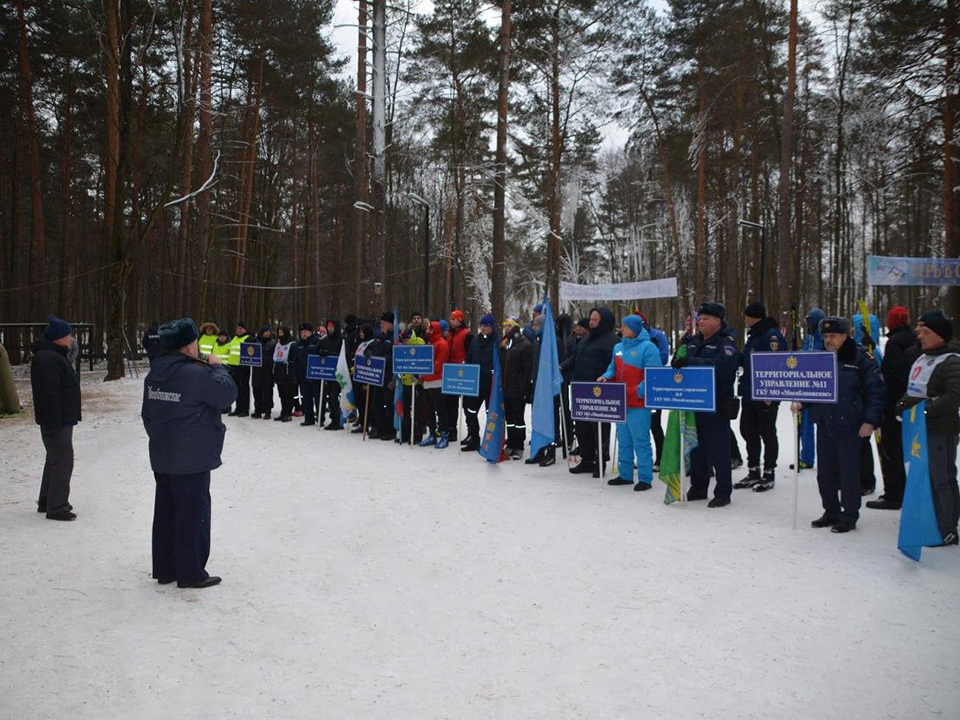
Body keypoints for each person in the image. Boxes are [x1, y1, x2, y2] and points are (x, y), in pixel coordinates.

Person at [142, 318, 237, 589]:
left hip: (163, 455)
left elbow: (147, 415)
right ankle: (191, 571)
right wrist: (218, 368)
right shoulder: (196, 375)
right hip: (192, 457)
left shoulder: (154, 374)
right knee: (193, 514)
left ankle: (165, 567)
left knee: (166, 512)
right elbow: (226, 394)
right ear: (187, 346)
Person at [792, 316, 884, 533]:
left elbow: (875, 392)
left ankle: (849, 515)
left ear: (845, 336)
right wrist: (802, 401)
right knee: (825, 473)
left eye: (833, 336)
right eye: (825, 336)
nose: (828, 340)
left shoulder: (860, 358)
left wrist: (870, 421)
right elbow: (812, 385)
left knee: (849, 473)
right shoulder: (820, 358)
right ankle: (830, 510)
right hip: (824, 423)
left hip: (850, 425)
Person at [896, 313, 960, 545]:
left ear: (940, 336)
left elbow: (954, 396)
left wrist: (925, 411)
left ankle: (948, 528)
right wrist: (902, 407)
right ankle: (933, 522)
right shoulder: (921, 358)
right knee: (928, 478)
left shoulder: (952, 360)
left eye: (926, 332)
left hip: (940, 430)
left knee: (943, 478)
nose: (919, 335)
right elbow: (913, 390)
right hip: (919, 429)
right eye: (919, 330)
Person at [672, 302, 741, 507]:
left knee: (719, 451)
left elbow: (723, 367)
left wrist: (691, 363)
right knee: (697, 449)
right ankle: (698, 487)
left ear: (718, 321)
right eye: (699, 318)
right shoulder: (693, 341)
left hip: (717, 405)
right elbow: (678, 361)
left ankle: (723, 492)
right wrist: (680, 354)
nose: (700, 321)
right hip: (694, 404)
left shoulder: (725, 342)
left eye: (705, 318)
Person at [600, 314, 662, 489]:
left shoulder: (648, 348)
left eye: (625, 326)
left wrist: (636, 392)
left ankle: (645, 478)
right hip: (621, 402)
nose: (621, 329)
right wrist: (605, 377)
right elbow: (612, 368)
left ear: (635, 328)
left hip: (639, 403)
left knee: (640, 440)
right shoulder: (618, 347)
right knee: (624, 440)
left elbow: (654, 374)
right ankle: (625, 474)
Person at [30, 315, 81, 520]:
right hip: (56, 420)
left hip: (60, 418)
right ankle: (57, 506)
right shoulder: (47, 358)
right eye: (68, 335)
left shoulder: (53, 355)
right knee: (62, 460)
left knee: (54, 459)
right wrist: (54, 421)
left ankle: (47, 500)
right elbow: (49, 394)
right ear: (58, 337)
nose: (71, 339)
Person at [735, 302, 787, 492]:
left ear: (755, 317)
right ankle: (753, 469)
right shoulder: (754, 335)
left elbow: (777, 364)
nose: (745, 320)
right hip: (749, 391)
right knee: (748, 431)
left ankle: (769, 471)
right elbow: (748, 360)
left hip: (765, 394)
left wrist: (770, 393)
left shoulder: (771, 336)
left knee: (767, 432)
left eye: (748, 316)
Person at [867, 307, 915, 510]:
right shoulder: (913, 339)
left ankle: (894, 494)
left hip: (894, 405)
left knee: (891, 450)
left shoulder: (895, 342)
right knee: (904, 450)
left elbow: (892, 376)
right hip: (908, 404)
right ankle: (903, 490)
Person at [569, 308, 618, 475]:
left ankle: (600, 462)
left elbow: (613, 367)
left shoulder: (612, 341)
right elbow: (575, 359)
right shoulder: (586, 338)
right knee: (582, 427)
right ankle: (587, 459)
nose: (591, 322)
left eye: (595, 320)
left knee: (599, 428)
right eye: (590, 319)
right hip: (581, 390)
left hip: (599, 392)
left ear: (603, 322)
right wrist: (561, 367)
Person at [526, 312, 566, 467]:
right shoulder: (537, 342)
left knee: (552, 420)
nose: (532, 327)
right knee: (539, 419)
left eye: (536, 324)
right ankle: (539, 450)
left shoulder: (555, 342)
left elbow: (560, 365)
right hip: (538, 387)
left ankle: (551, 451)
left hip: (551, 389)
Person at [636, 310, 669, 470]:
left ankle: (661, 458)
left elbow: (663, 357)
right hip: (636, 384)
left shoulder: (657, 336)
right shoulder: (630, 338)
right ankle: (643, 459)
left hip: (655, 383)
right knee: (639, 425)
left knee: (654, 424)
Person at [500, 316, 534, 460]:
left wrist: (524, 389)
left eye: (509, 326)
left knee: (518, 419)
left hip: (518, 389)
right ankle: (511, 443)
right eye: (505, 325)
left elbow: (527, 370)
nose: (506, 328)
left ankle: (519, 445)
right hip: (506, 388)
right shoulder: (504, 343)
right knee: (510, 419)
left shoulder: (524, 345)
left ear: (515, 327)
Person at [462, 314, 497, 452]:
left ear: (492, 327)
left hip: (490, 385)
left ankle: (491, 441)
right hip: (475, 384)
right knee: (470, 411)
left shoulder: (497, 341)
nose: (483, 328)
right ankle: (474, 439)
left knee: (491, 414)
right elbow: (469, 357)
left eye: (486, 326)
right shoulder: (475, 341)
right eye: (481, 326)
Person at [796, 307, 825, 469]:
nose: (808, 324)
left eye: (810, 321)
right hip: (805, 386)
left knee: (822, 425)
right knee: (805, 424)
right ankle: (806, 457)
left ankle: (826, 459)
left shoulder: (823, 338)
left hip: (819, 387)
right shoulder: (808, 338)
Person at [419, 320, 452, 448]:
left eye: (429, 329)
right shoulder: (430, 343)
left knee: (440, 410)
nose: (427, 330)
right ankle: (432, 434)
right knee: (429, 410)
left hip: (437, 382)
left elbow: (439, 364)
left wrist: (425, 375)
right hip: (427, 382)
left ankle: (444, 435)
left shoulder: (442, 344)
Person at [367, 312, 397, 441]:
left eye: (383, 323)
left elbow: (396, 356)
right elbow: (370, 348)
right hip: (377, 376)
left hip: (389, 375)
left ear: (390, 324)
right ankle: (379, 428)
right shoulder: (379, 337)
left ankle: (390, 430)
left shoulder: (395, 338)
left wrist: (383, 358)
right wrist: (368, 352)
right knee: (376, 403)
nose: (381, 325)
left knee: (389, 404)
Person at [444, 310, 473, 441]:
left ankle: (471, 431)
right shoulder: (449, 334)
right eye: (450, 318)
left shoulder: (467, 335)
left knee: (466, 405)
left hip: (463, 373)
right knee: (450, 404)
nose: (451, 321)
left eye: (454, 319)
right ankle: (451, 429)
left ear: (460, 320)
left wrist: (466, 365)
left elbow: (470, 353)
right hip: (450, 373)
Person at [398, 328, 426, 443]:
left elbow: (424, 361)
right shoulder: (402, 347)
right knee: (405, 410)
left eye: (406, 340)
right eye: (403, 340)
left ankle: (416, 435)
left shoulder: (419, 343)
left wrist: (419, 377)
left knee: (417, 411)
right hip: (406, 382)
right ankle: (405, 434)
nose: (405, 342)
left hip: (416, 383)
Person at [293, 323, 319, 426]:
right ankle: (309, 418)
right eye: (302, 332)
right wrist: (296, 374)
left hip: (314, 375)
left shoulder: (316, 342)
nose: (304, 334)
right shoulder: (298, 344)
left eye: (306, 332)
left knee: (317, 398)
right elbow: (296, 360)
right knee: (306, 398)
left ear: (310, 332)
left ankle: (320, 418)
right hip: (303, 375)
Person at [319, 320, 343, 430]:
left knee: (334, 396)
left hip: (339, 373)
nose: (330, 328)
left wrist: (332, 355)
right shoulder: (325, 340)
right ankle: (333, 419)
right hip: (328, 373)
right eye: (328, 326)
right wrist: (322, 352)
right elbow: (317, 350)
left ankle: (338, 419)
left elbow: (344, 355)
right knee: (329, 397)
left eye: (332, 326)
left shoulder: (341, 339)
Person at [226, 321, 252, 417]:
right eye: (237, 328)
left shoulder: (248, 338)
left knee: (243, 388)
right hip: (233, 366)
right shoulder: (235, 338)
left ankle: (245, 409)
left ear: (245, 329)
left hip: (243, 367)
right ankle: (238, 408)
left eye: (240, 328)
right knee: (236, 389)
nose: (239, 330)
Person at [272, 325, 297, 422]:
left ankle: (288, 413)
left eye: (282, 332)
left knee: (288, 394)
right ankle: (283, 412)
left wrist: (294, 374)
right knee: (281, 394)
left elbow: (295, 360)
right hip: (279, 371)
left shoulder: (292, 344)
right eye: (279, 333)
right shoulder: (278, 344)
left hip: (288, 371)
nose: (280, 335)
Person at [250, 325, 276, 419]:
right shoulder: (255, 342)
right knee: (257, 391)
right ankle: (258, 410)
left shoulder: (273, 343)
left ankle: (268, 410)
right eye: (266, 331)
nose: (268, 333)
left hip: (268, 370)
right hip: (257, 370)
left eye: (269, 331)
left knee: (268, 391)